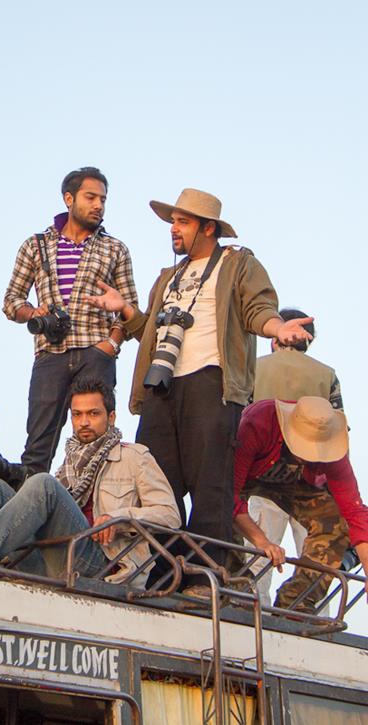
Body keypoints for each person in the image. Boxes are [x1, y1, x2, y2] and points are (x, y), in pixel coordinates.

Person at [85, 188, 312, 597]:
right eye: (173, 221)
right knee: (158, 484)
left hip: (211, 381)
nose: (173, 229)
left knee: (211, 485)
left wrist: (279, 328)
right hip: (161, 386)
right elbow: (150, 333)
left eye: (183, 222)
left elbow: (257, 309)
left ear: (208, 228)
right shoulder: (167, 277)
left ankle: (202, 579)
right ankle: (162, 576)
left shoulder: (237, 263)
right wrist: (127, 311)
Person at [0, 379, 181, 588]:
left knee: (44, 485)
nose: (84, 422)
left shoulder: (134, 457)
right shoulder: (70, 463)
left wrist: (119, 518)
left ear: (111, 417)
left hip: (102, 565)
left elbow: (170, 515)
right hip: (51, 558)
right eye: (77, 414)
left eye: (93, 414)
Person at [3, 167, 138, 475]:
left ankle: (97, 503)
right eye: (90, 197)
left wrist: (111, 344)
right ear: (69, 198)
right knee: (38, 446)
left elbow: (130, 308)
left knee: (100, 442)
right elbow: (11, 301)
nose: (98, 205)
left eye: (103, 199)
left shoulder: (115, 248)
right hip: (50, 354)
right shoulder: (36, 245)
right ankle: (33, 501)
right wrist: (33, 313)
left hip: (96, 352)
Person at [233, 397, 368, 612]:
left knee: (335, 521)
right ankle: (233, 585)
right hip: (243, 478)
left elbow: (354, 512)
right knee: (219, 512)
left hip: (295, 485)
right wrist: (263, 542)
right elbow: (227, 496)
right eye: (306, 448)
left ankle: (297, 602)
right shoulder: (257, 423)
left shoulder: (332, 444)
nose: (311, 455)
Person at [248, 308, 345, 605]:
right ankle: (307, 613)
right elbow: (338, 427)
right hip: (312, 480)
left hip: (261, 475)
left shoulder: (254, 367)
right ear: (309, 342)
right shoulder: (327, 374)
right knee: (317, 556)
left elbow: (238, 416)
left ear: (274, 339)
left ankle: (250, 612)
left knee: (259, 554)